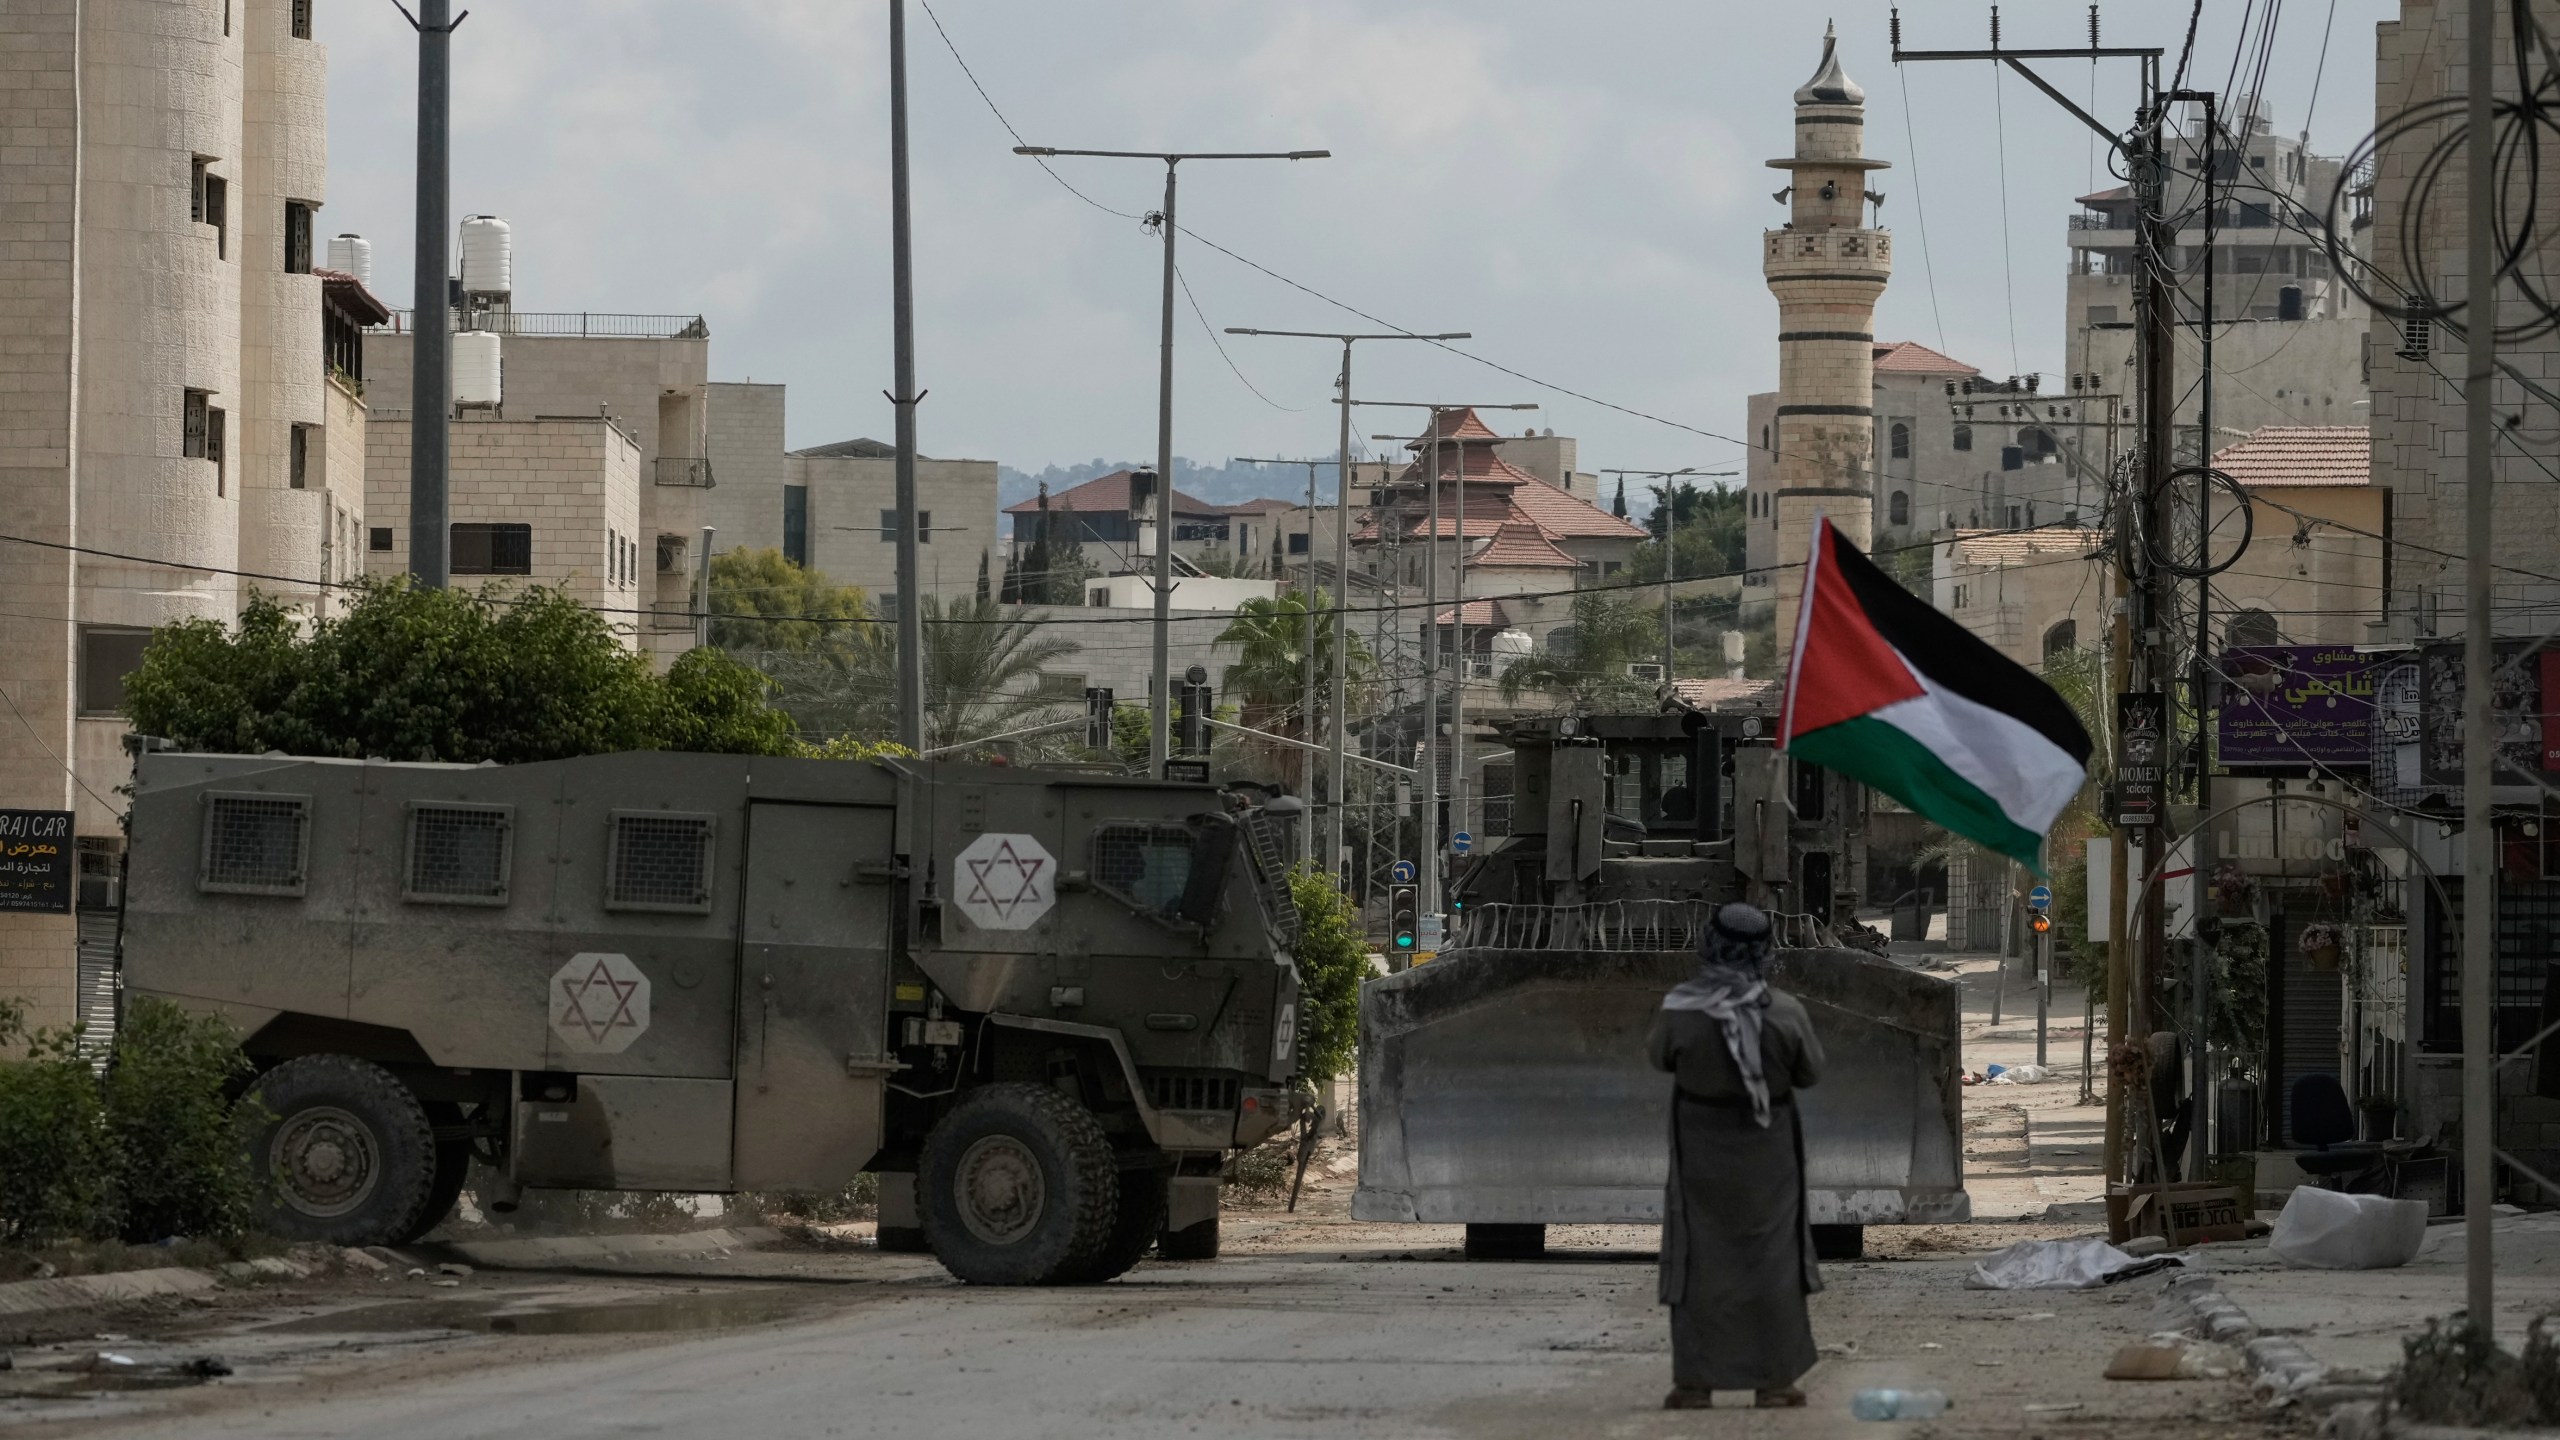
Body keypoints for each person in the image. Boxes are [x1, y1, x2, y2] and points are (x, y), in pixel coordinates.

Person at [1647, 901, 1827, 1410]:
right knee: (1772, 1258)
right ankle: (1774, 1382)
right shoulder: (1785, 1011)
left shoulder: (1679, 1007)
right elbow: (1810, 1072)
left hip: (1699, 1149)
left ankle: (1694, 1383)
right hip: (1768, 1152)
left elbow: (1658, 1057)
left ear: (1709, 942)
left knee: (1698, 1255)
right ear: (1765, 951)